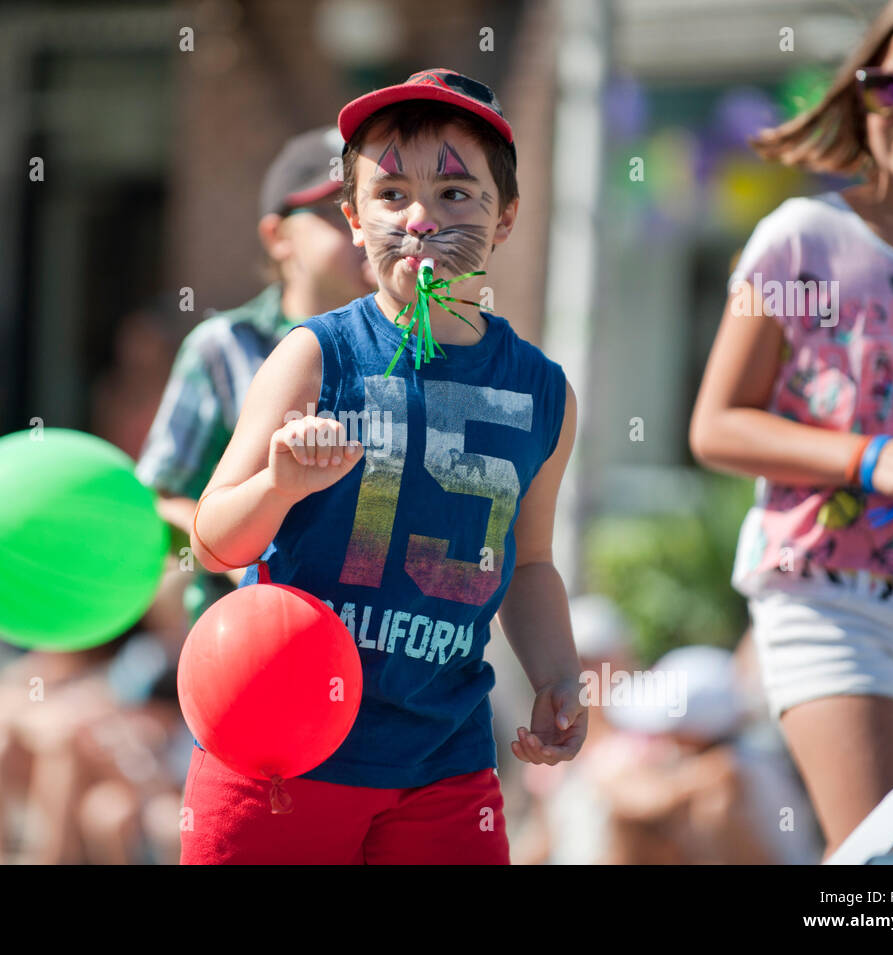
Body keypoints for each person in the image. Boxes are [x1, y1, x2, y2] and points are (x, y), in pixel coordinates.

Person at [184, 69, 584, 865]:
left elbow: (529, 560)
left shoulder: (543, 391)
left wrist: (557, 675)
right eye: (392, 194)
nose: (421, 221)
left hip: (445, 764)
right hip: (277, 752)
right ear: (354, 220)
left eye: (456, 195)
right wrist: (278, 484)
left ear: (505, 219)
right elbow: (212, 542)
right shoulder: (312, 355)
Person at [690, 0, 893, 858]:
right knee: (878, 860)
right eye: (892, 87)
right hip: (826, 590)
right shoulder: (802, 239)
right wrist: (874, 458)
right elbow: (715, 425)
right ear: (861, 98)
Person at [135, 126, 376, 628]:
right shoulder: (224, 344)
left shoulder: (414, 345)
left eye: (378, 205)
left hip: (373, 646)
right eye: (337, 211)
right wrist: (237, 551)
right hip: (242, 638)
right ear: (278, 236)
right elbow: (156, 497)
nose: (362, 231)